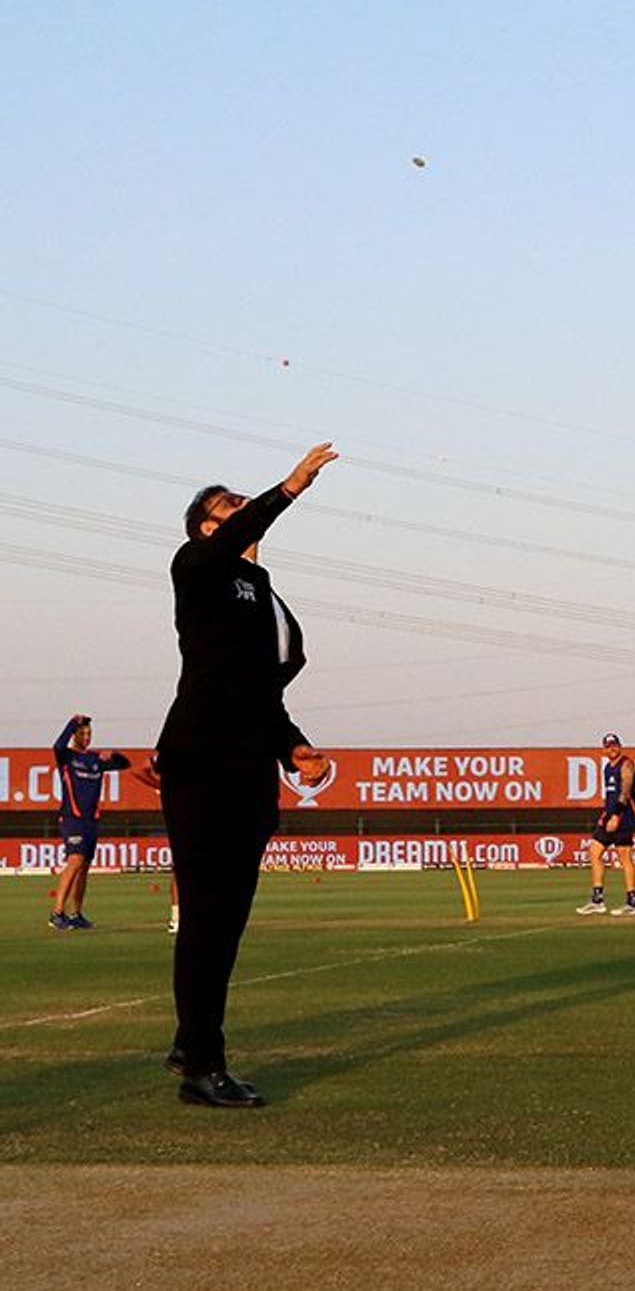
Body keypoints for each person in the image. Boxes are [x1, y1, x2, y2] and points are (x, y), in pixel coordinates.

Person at [155, 443, 339, 1108]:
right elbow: (236, 534)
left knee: (225, 920)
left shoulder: (260, 591)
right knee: (208, 915)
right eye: (225, 507)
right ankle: (204, 1063)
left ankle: (192, 1041)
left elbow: (263, 691)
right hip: (203, 762)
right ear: (206, 529)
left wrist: (294, 748)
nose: (237, 510)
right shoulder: (197, 567)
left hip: (246, 768)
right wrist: (287, 488)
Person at [48, 714, 132, 930]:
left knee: (84, 868)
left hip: (91, 821)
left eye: (89, 734)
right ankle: (57, 913)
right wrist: (72, 723)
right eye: (82, 733)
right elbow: (57, 745)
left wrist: (113, 754)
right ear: (75, 735)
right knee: (75, 860)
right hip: (72, 818)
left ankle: (76, 914)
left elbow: (125, 764)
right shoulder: (66, 756)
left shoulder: (96, 760)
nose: (86, 737)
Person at [577, 732, 635, 916]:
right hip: (610, 814)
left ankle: (632, 902)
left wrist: (616, 816)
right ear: (604, 749)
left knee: (625, 857)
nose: (612, 748)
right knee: (594, 851)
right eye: (608, 746)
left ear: (620, 746)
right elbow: (610, 796)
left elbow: (625, 792)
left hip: (625, 816)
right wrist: (606, 814)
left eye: (615, 745)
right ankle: (597, 899)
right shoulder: (607, 767)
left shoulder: (626, 765)